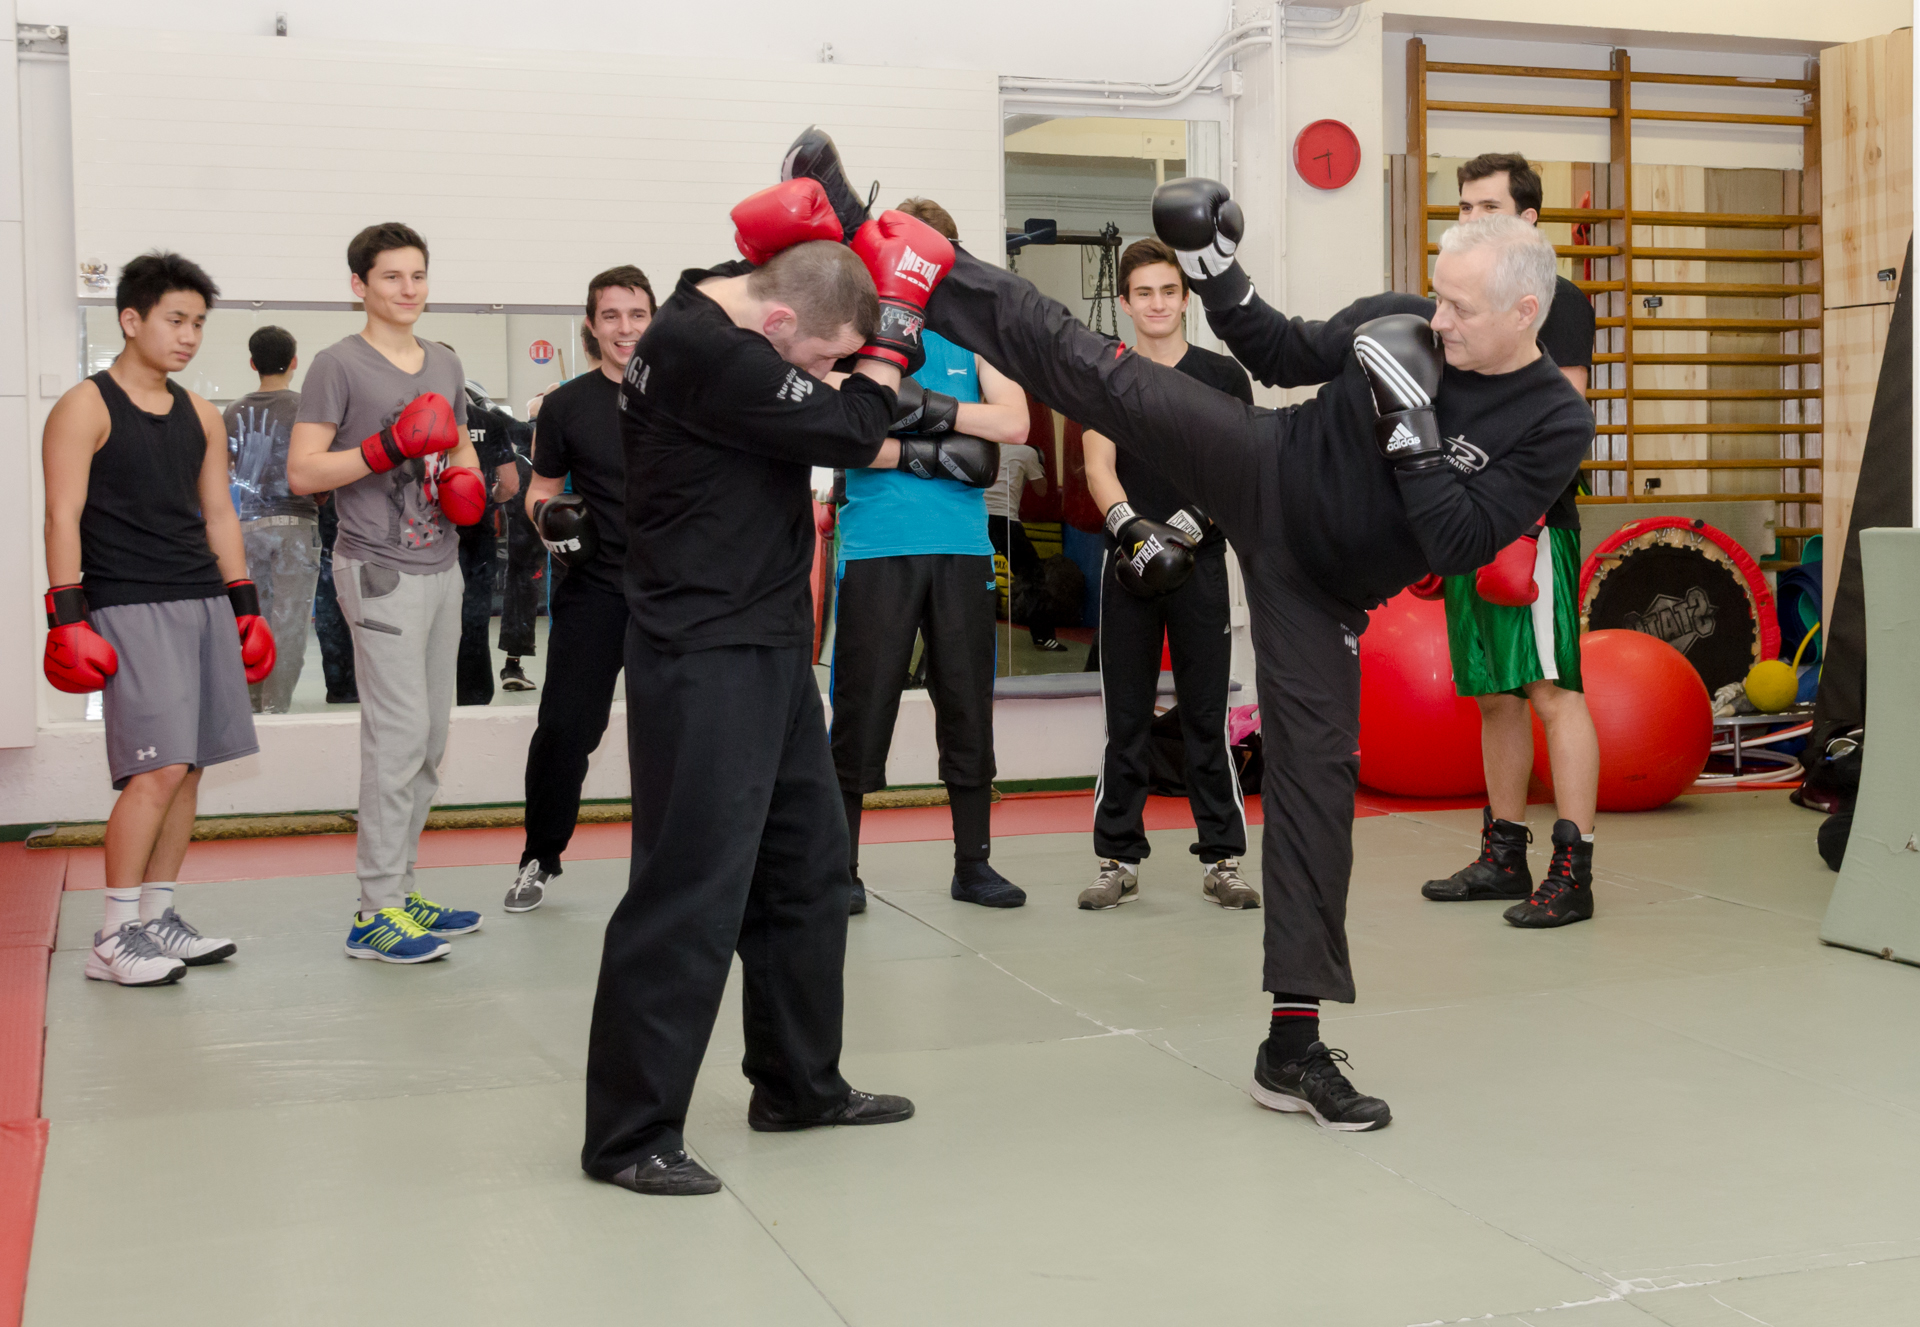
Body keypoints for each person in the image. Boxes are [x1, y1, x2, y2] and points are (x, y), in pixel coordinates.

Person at [784, 130, 1590, 1130]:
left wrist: (1412, 433)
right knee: (1098, 369)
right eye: (1436, 297)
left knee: (1312, 795)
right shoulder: (1403, 319)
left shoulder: (1554, 420)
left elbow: (1461, 542)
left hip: (1323, 589)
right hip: (1267, 461)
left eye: (1460, 310)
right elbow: (1285, 350)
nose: (1438, 319)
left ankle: (1291, 1047)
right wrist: (1217, 269)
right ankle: (887, 246)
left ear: (1526, 314)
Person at [582, 180, 947, 1196]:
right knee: (691, 887)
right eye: (822, 357)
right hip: (704, 657)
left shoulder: (730, 312)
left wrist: (835, 214)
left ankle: (797, 1084)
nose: (829, 375)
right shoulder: (707, 349)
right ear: (779, 319)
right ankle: (627, 1136)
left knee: (807, 870)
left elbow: (814, 366)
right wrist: (893, 329)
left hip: (769, 647)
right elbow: (845, 431)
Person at [40, 251, 261, 986]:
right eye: (175, 320)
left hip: (200, 595)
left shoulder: (199, 412)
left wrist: (244, 603)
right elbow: (61, 513)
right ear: (131, 320)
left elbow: (220, 513)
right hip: (127, 601)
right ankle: (112, 934)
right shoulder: (86, 406)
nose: (189, 335)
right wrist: (66, 615)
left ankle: (157, 914)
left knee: (190, 765)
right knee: (155, 768)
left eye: (198, 322)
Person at [287, 222, 489, 964]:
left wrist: (466, 483)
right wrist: (385, 447)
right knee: (396, 739)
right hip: (375, 568)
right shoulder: (337, 365)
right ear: (359, 286)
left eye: (418, 276)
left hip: (442, 564)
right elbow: (304, 473)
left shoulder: (444, 360)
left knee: (431, 738)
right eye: (392, 277)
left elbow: (459, 444)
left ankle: (402, 889)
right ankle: (375, 911)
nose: (408, 290)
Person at [829, 195, 1033, 915]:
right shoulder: (859, 335)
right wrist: (943, 450)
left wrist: (918, 411)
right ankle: (839, 869)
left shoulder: (978, 340)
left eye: (938, 250)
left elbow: (1013, 421)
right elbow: (842, 429)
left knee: (968, 709)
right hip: (879, 550)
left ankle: (972, 864)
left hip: (962, 552)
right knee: (860, 709)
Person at [1419, 153, 1601, 929]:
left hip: (1532, 526)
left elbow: (1563, 417)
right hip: (1472, 521)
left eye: (1487, 207)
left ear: (1529, 219)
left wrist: (1516, 528)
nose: (1470, 220)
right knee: (1494, 695)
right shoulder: (1461, 302)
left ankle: (1574, 864)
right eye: (1463, 207)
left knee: (1554, 692)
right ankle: (1504, 853)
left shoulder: (1555, 304)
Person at [1079, 238, 1258, 914]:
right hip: (1126, 566)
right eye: (1144, 293)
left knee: (1206, 717)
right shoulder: (1107, 374)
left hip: (1201, 564)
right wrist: (1134, 530)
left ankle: (1223, 859)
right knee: (1125, 718)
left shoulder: (1223, 377)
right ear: (1125, 303)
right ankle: (1117, 856)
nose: (1157, 303)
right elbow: (1098, 465)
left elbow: (1240, 469)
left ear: (1186, 300)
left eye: (1168, 291)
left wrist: (1182, 532)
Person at [505, 264, 655, 913]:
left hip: (673, 592)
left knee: (673, 735)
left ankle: (667, 865)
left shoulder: (687, 397)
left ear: (654, 320)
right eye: (612, 315)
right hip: (594, 588)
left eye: (637, 314)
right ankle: (540, 855)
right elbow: (539, 491)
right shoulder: (566, 405)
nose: (625, 328)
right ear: (592, 324)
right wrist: (548, 521)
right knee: (565, 728)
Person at [224, 325, 317, 714]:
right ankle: (277, 708)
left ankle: (251, 703)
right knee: (291, 621)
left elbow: (224, 471)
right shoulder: (306, 409)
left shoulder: (231, 411)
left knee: (251, 618)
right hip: (295, 525)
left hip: (246, 528)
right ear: (294, 362)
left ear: (251, 363)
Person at [450, 373, 526, 706]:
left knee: (425, 620)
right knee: (474, 618)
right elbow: (510, 484)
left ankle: (425, 701)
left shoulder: (416, 420)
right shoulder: (488, 421)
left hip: (428, 537)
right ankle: (474, 697)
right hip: (476, 534)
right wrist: (486, 500)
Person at [984, 439, 1060, 650]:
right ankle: (1043, 637)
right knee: (1033, 577)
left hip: (979, 521)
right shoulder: (1026, 452)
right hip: (1006, 522)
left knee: (971, 578)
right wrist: (1039, 466)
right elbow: (1042, 490)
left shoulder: (988, 448)